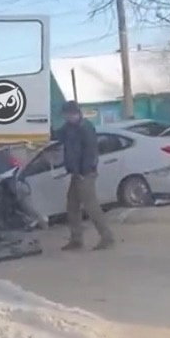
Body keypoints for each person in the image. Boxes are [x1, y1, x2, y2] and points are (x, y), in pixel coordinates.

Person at [53, 101, 115, 251]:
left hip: (85, 173)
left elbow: (90, 152)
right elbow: (56, 136)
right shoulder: (69, 128)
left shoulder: (86, 128)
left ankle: (107, 237)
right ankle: (76, 239)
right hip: (76, 173)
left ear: (76, 113)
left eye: (70, 114)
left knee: (91, 206)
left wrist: (83, 171)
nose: (68, 117)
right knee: (72, 205)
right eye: (66, 115)